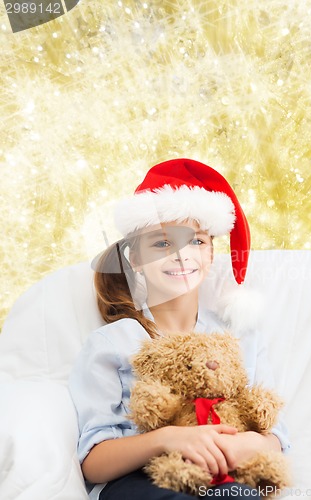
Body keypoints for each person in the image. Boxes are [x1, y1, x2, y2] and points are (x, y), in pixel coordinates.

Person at [69, 158, 291, 500]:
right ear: (136, 259)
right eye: (162, 243)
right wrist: (169, 438)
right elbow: (93, 462)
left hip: (228, 481)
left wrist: (247, 443)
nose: (181, 255)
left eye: (197, 242)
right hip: (144, 483)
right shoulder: (113, 343)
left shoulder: (240, 336)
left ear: (211, 252)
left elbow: (276, 438)